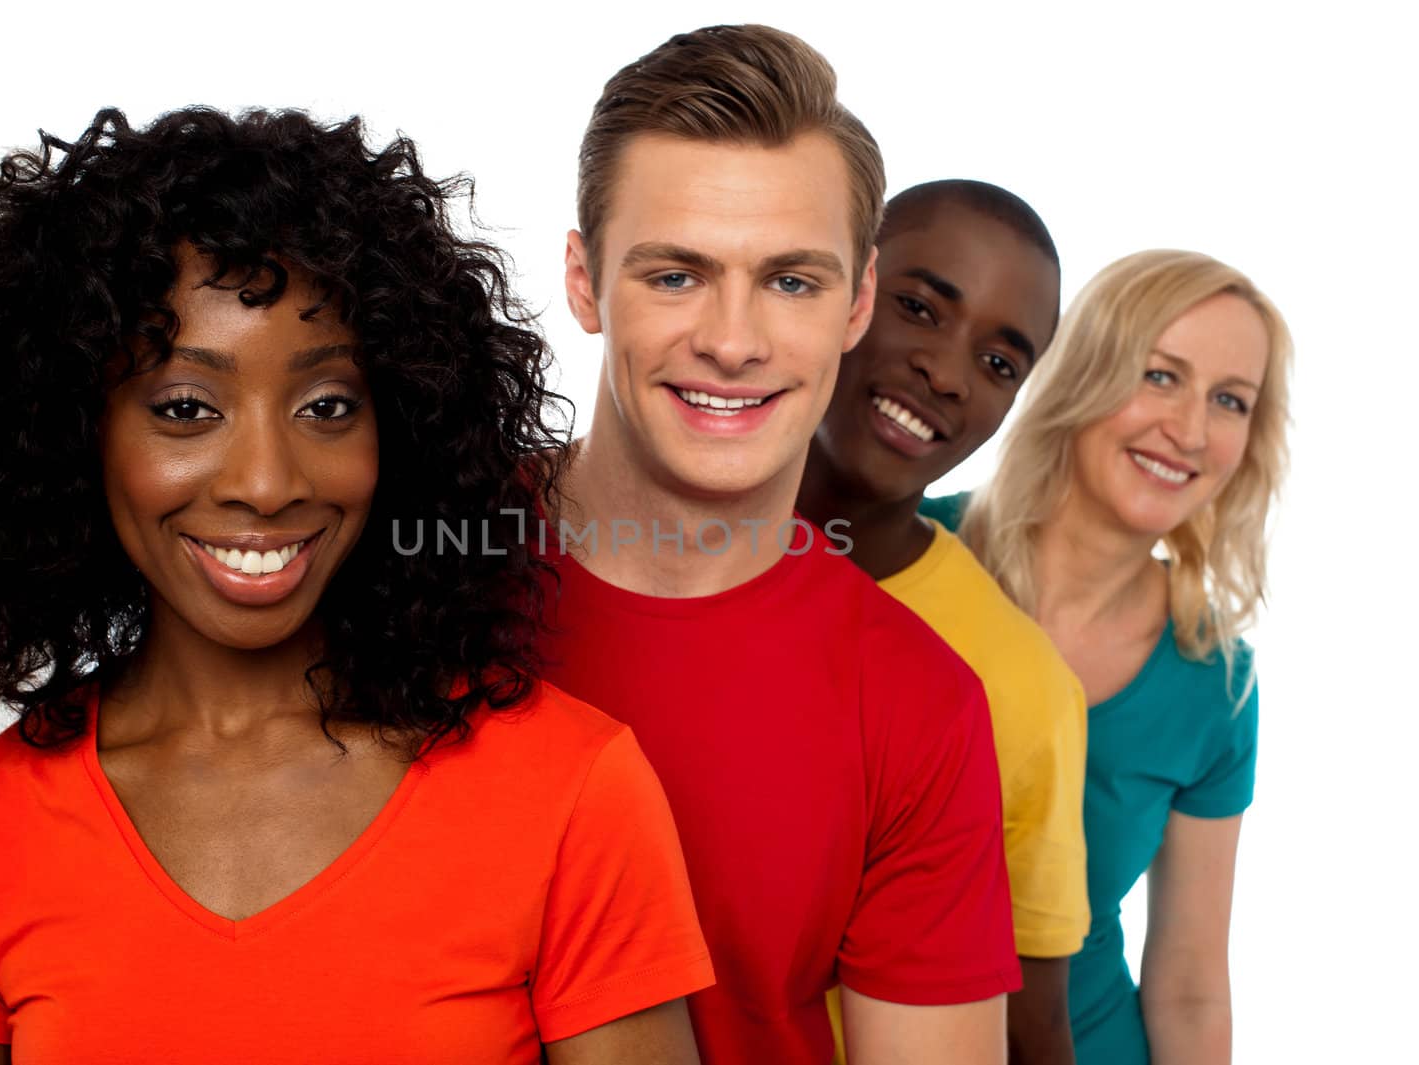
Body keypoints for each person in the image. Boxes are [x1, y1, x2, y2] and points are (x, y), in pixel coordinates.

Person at [0, 106, 714, 1064]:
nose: (267, 480)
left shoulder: (571, 792)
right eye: (186, 407)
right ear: (67, 434)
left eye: (328, 405)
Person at [539, 25, 1018, 1065]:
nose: (733, 340)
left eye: (791, 282)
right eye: (674, 275)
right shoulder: (405, 566)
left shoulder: (917, 705)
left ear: (855, 302)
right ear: (582, 281)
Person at [924, 249, 1291, 1065]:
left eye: (1230, 400)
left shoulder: (1213, 680)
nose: (1190, 430)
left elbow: (1191, 982)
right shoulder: (901, 552)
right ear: (1083, 370)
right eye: (1161, 376)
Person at [797, 179, 1089, 1064]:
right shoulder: (623, 534)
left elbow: (1031, 1024)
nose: (949, 372)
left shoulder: (1016, 685)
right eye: (920, 307)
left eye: (1001, 363)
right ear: (843, 285)